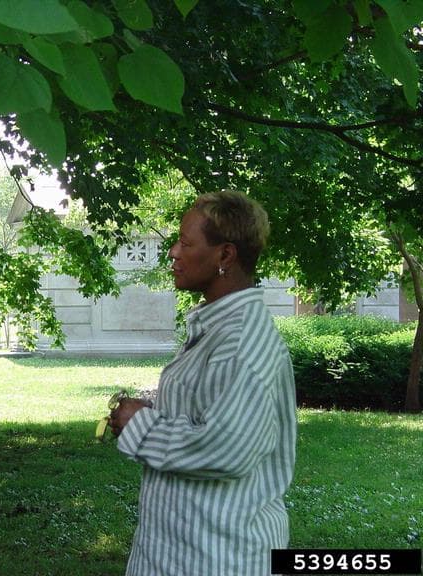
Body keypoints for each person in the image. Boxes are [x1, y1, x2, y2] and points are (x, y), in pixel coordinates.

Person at [109, 190, 297, 576]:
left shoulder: (242, 341)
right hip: (183, 551)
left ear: (225, 255)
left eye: (186, 243)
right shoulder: (218, 329)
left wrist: (140, 425)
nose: (174, 253)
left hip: (220, 557)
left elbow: (225, 446)